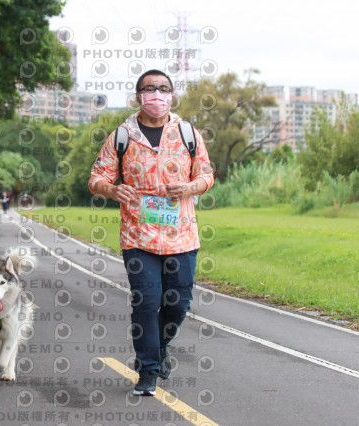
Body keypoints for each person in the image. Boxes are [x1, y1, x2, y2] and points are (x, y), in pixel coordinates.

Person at [88, 69, 215, 396]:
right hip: (138, 236)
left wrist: (189, 187)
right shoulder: (123, 135)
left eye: (163, 89)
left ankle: (160, 345)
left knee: (178, 303)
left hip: (181, 235)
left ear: (171, 95)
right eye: (150, 89)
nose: (157, 95)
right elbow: (97, 177)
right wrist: (113, 191)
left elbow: (206, 175)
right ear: (138, 96)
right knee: (146, 302)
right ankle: (148, 372)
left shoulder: (188, 133)